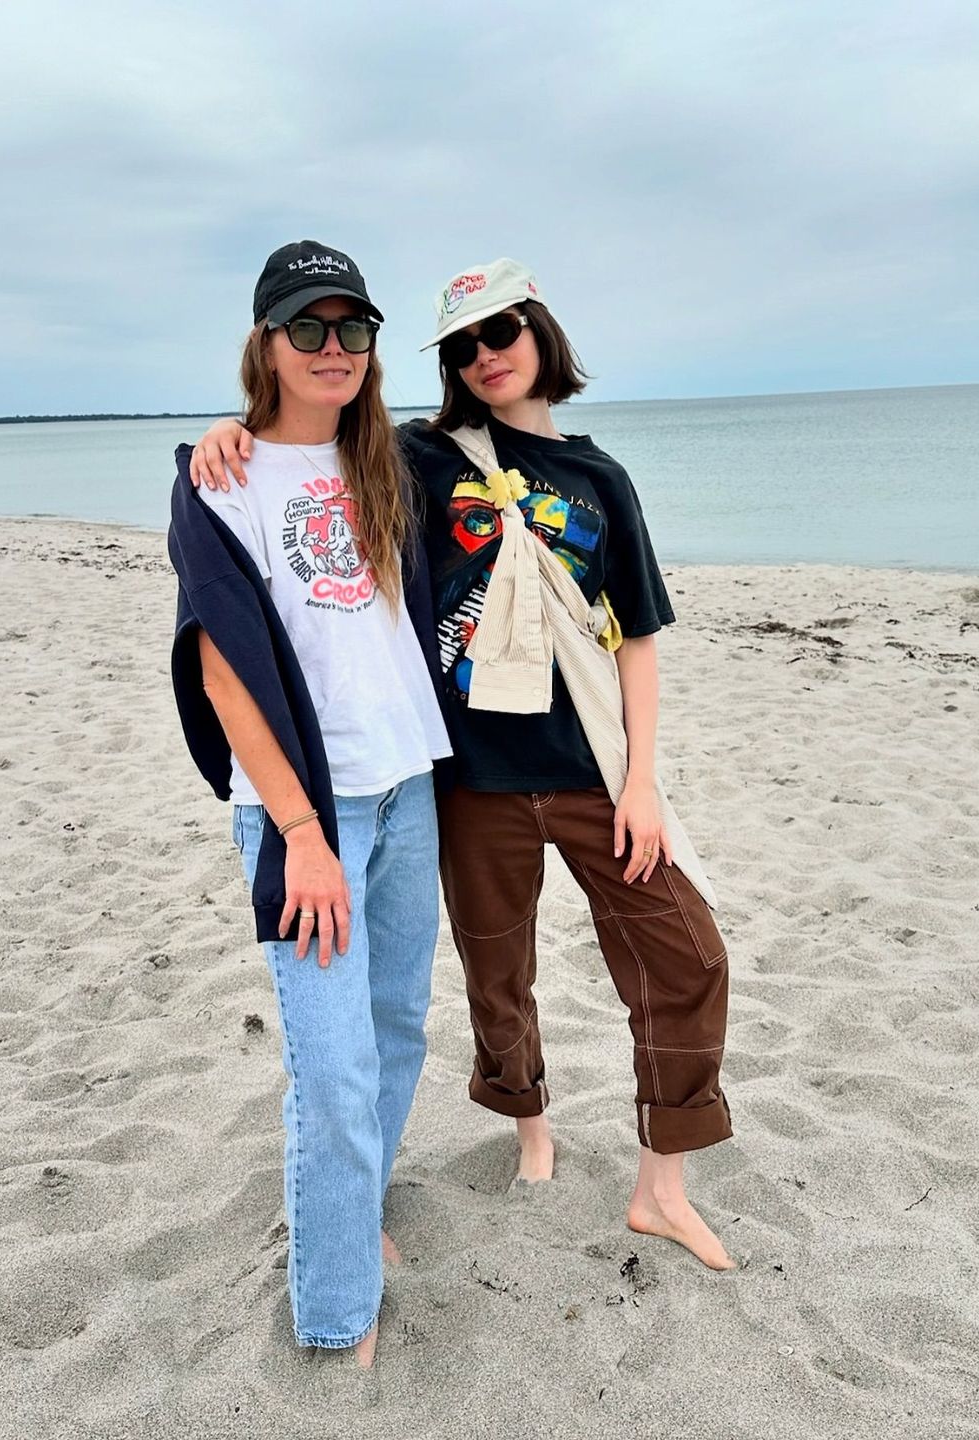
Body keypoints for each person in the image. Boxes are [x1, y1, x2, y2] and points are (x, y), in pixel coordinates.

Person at [189, 257, 735, 1270]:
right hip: (469, 775)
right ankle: (531, 1133)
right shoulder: (418, 457)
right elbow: (301, 436)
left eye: (503, 334)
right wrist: (227, 433)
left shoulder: (602, 478)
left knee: (687, 957)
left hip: (587, 770)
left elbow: (638, 638)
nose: (486, 357)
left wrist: (645, 780)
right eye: (464, 346)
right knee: (497, 973)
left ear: (541, 335)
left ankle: (662, 1188)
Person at [168, 240, 452, 1366]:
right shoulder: (220, 478)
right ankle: (337, 1318)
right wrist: (299, 834)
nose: (334, 350)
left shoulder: (392, 461)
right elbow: (222, 670)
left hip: (411, 788)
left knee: (394, 1034)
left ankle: (354, 1213)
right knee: (330, 1072)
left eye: (355, 330)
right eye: (309, 329)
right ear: (266, 345)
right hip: (307, 812)